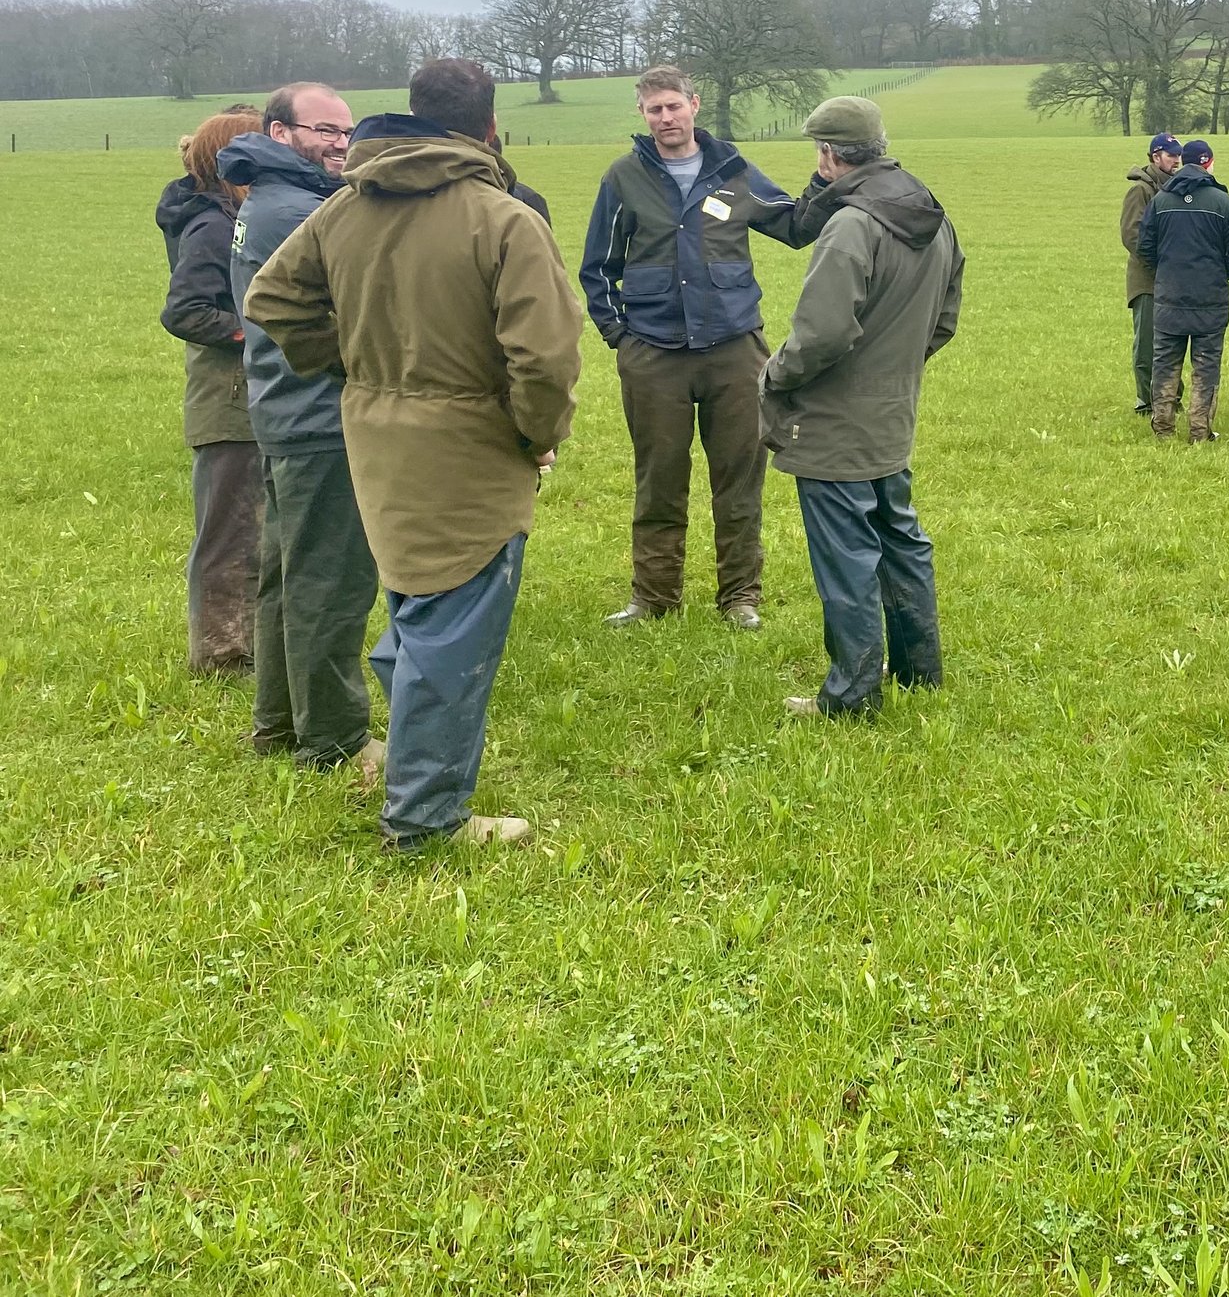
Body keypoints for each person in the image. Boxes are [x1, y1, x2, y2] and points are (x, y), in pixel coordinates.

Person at [246, 58, 582, 850]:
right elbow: (544, 358)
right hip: (470, 447)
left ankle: (414, 764)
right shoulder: (503, 219)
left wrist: (356, 367)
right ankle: (425, 818)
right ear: (489, 127)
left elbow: (272, 297)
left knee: (413, 610)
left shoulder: (344, 207)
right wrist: (535, 433)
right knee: (452, 628)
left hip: (374, 435)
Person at [581, 65, 826, 630]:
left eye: (674, 106)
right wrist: (620, 336)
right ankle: (653, 597)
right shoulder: (624, 177)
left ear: (694, 105)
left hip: (734, 349)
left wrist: (826, 179)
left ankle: (740, 598)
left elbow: (794, 227)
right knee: (658, 479)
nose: (666, 118)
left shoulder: (733, 172)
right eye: (654, 109)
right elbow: (598, 267)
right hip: (653, 352)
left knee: (739, 481)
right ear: (642, 114)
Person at [765, 97, 964, 719]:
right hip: (892, 412)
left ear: (828, 154)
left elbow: (821, 335)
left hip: (833, 422)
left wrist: (774, 374)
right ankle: (918, 671)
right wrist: (893, 370)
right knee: (900, 541)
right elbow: (944, 318)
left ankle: (851, 695)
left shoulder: (852, 224)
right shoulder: (931, 213)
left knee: (846, 557)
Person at [220, 85, 383, 782]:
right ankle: (335, 738)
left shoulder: (268, 199)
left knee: (286, 578)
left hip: (285, 413)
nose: (340, 143)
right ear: (280, 133)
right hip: (320, 416)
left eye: (346, 131)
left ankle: (279, 720)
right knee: (330, 583)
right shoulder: (299, 211)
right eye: (324, 130)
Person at [158, 105, 264, 674]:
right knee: (229, 532)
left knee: (252, 527)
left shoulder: (228, 214)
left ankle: (247, 644)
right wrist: (253, 332)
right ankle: (221, 655)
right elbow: (185, 310)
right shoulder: (213, 225)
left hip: (241, 393)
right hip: (228, 396)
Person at [1135, 138, 1229, 442]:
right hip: (1210, 298)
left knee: (1165, 363)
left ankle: (1163, 428)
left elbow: (1144, 246)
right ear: (1208, 162)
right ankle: (1200, 431)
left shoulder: (1160, 201)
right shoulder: (1224, 202)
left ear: (1184, 161)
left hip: (1169, 296)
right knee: (1206, 366)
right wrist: (1219, 274)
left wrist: (1165, 273)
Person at [1120, 133, 1183, 413]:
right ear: (1156, 157)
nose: (1177, 160)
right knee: (1148, 344)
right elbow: (1131, 235)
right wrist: (1160, 264)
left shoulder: (1175, 187)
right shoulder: (1141, 190)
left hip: (1172, 281)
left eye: (1178, 155)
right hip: (1147, 281)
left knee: (1172, 343)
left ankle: (1171, 398)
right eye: (1171, 155)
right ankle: (1146, 401)